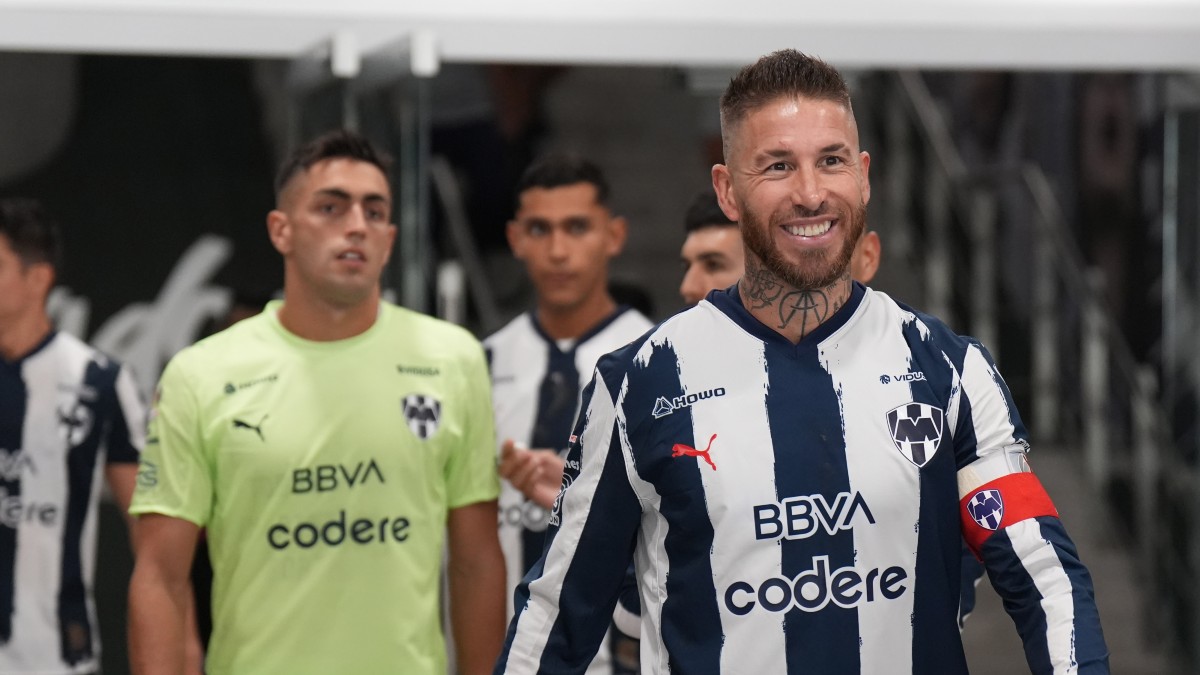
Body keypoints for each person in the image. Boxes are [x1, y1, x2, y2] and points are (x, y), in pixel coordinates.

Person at [495, 50, 1108, 674]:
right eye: (778, 166)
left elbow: (1043, 577)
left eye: (832, 161)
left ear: (864, 175)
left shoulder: (949, 370)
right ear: (728, 191)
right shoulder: (638, 383)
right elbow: (559, 615)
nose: (811, 193)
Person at [127, 130, 506, 675]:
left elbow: (475, 563)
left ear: (391, 237)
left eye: (374, 212)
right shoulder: (201, 374)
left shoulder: (453, 359)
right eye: (331, 207)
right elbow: (160, 575)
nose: (356, 225)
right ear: (281, 230)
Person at [488, 153, 653, 674]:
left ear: (614, 235)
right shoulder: (479, 364)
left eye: (577, 228)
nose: (558, 251)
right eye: (540, 229)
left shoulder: (661, 361)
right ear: (515, 239)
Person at [0, 199, 145, 674]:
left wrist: (177, 643)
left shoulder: (97, 379)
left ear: (38, 278)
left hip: (55, 655)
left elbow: (149, 528)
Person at [680, 190, 880, 305]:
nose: (688, 287)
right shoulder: (665, 364)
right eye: (687, 266)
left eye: (714, 265)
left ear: (868, 257)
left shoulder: (909, 346)